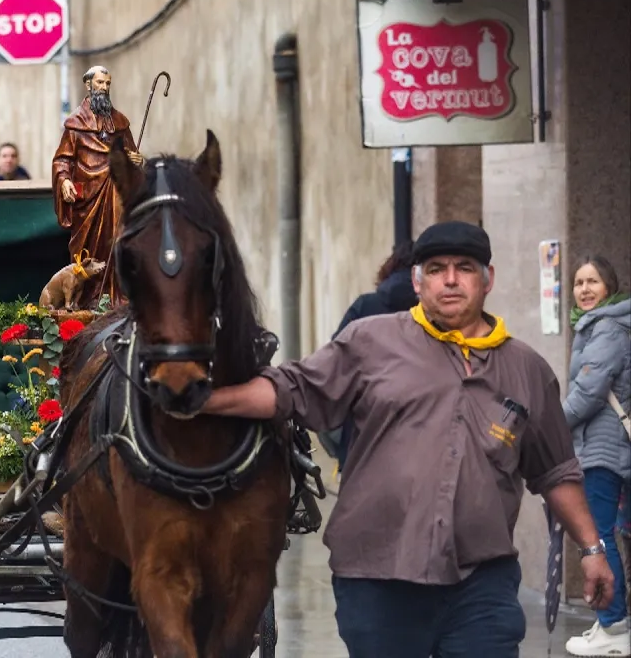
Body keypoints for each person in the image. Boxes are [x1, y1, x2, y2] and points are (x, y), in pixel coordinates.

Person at [202, 221, 614, 658]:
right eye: (436, 268)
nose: (450, 279)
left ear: (488, 279)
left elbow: (555, 471)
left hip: (481, 584)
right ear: (418, 280)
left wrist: (591, 550)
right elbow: (292, 389)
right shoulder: (370, 341)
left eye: (464, 268)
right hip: (378, 581)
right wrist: (207, 400)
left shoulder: (526, 370)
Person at [561, 256, 631, 657]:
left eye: (593, 282)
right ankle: (608, 620)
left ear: (610, 287)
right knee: (605, 534)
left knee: (599, 538)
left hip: (603, 450)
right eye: (578, 283)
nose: (584, 290)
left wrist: (551, 424)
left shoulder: (607, 328)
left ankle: (614, 625)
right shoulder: (600, 325)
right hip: (600, 445)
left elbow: (588, 393)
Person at [318, 242, 419, 469]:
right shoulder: (435, 313)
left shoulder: (365, 306)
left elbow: (334, 362)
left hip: (362, 434)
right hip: (418, 437)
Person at [51, 66, 145, 308]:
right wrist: (64, 180)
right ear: (89, 85)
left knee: (118, 242)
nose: (104, 87)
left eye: (107, 83)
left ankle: (116, 298)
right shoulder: (75, 124)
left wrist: (136, 161)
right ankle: (84, 300)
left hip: (115, 198)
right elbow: (63, 159)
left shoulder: (120, 123)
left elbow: (131, 154)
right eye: (100, 83)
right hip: (89, 200)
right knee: (85, 252)